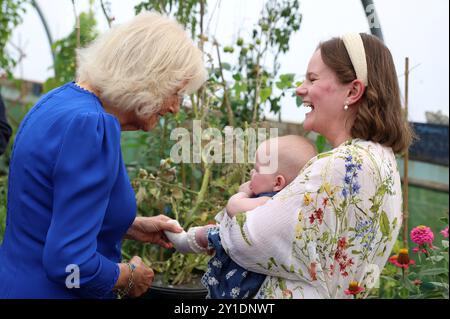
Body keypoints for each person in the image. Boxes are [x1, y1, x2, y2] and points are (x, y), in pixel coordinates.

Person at [0, 12, 207, 299]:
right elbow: (69, 265)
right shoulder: (91, 127)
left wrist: (130, 226)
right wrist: (128, 276)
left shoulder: (59, 101)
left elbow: (45, 209)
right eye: (176, 92)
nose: (174, 108)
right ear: (150, 78)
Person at [205, 33, 414, 298]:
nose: (299, 89)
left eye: (312, 79)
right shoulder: (383, 162)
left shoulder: (339, 165)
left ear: (352, 91)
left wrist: (223, 217)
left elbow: (251, 239)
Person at [165, 135, 317, 298]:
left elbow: (234, 208)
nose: (252, 172)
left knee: (208, 233)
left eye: (257, 170)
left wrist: (243, 192)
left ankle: (184, 242)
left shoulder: (269, 201)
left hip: (244, 271)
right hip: (247, 257)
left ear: (277, 183)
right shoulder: (283, 202)